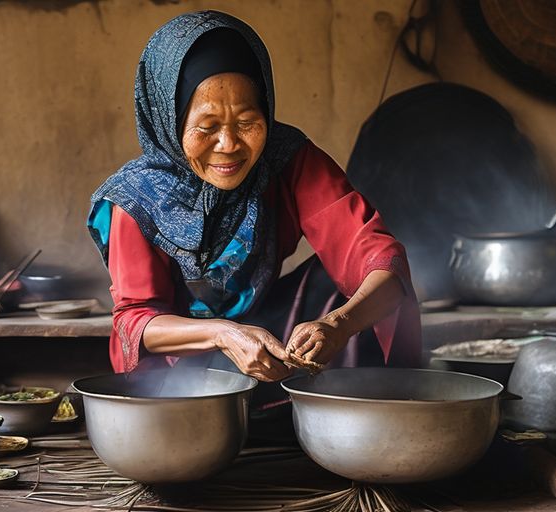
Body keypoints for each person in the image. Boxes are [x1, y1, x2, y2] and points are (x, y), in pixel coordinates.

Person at [87, 11, 420, 405]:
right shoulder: (135, 198)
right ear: (169, 119)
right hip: (176, 368)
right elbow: (136, 321)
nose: (229, 144)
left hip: (268, 338)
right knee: (184, 402)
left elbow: (377, 255)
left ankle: (347, 417)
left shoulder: (286, 158)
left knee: (343, 286)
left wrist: (338, 325)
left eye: (247, 121)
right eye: (207, 126)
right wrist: (223, 333)